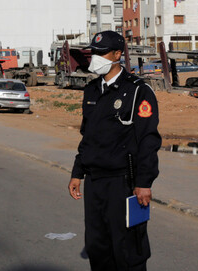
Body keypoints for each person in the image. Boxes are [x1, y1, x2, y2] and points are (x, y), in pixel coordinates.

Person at [68, 31, 161, 271]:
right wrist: (78, 172)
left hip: (125, 184)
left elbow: (148, 141)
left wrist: (144, 182)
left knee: (128, 250)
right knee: (98, 248)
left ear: (118, 54)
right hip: (95, 182)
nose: (95, 58)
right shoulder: (91, 91)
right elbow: (87, 137)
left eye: (101, 53)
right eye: (93, 53)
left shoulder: (138, 91)